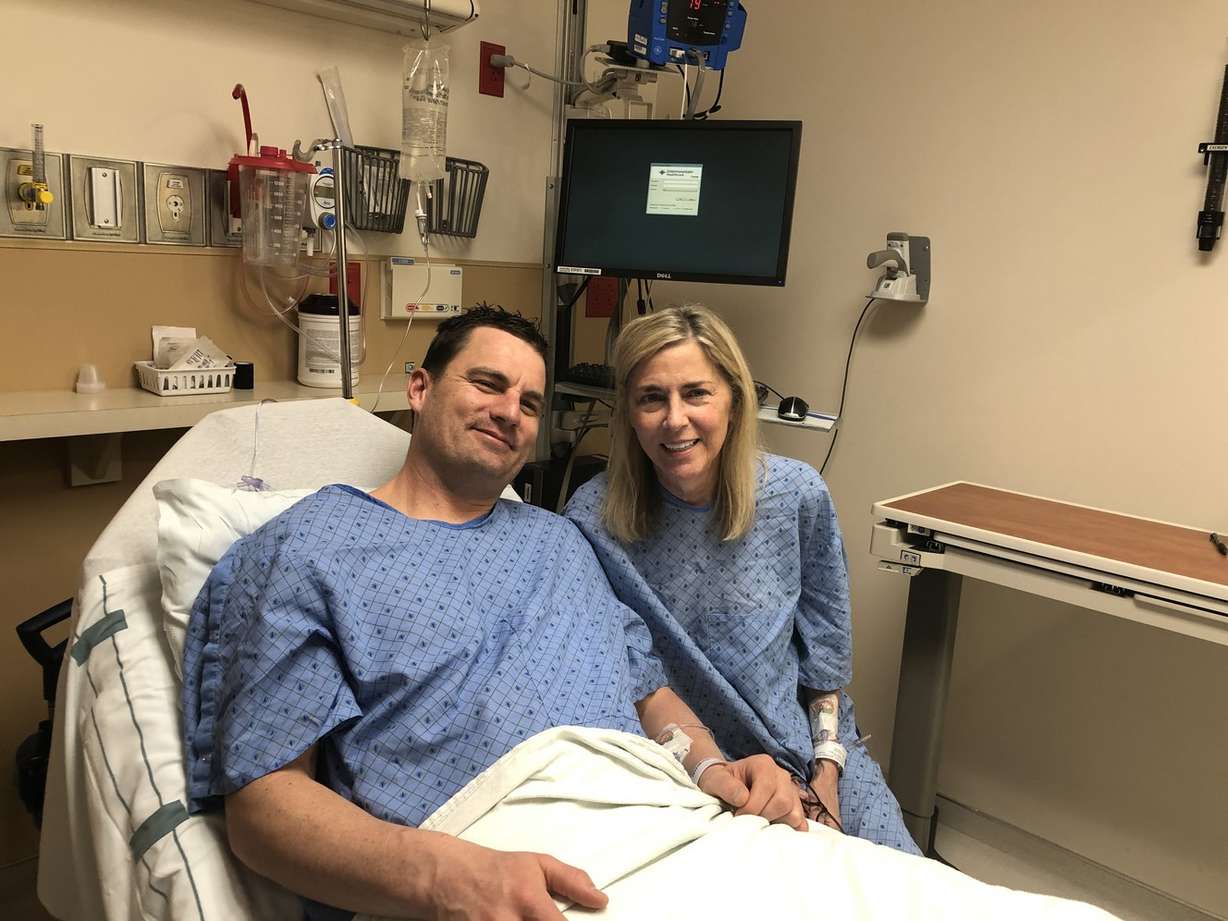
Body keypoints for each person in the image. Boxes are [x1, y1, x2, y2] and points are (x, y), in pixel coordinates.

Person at [180, 306, 806, 921]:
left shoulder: (560, 541)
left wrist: (713, 767)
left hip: (674, 829)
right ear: (419, 389)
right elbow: (263, 808)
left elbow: (648, 693)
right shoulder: (310, 547)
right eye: (487, 384)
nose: (510, 412)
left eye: (530, 404)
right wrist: (452, 878)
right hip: (486, 857)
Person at [564, 303, 922, 855]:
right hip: (688, 765)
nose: (675, 419)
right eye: (651, 398)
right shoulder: (593, 520)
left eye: (696, 393)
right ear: (629, 414)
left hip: (813, 748)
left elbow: (825, 665)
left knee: (902, 878)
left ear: (733, 400)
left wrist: (827, 774)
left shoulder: (796, 496)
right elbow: (623, 679)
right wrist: (712, 773)